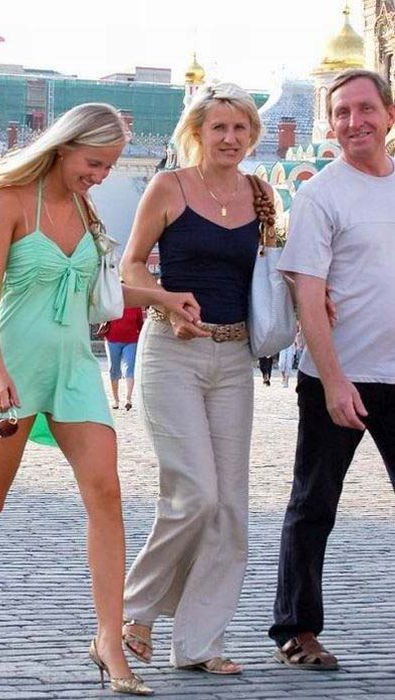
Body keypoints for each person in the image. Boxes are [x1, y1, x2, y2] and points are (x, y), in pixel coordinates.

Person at [0, 102, 200, 695]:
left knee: (107, 494)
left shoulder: (86, 209)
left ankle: (109, 638)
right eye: (93, 163)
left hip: (76, 368)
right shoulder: (9, 200)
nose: (99, 176)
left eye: (108, 167)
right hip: (16, 367)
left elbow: (98, 289)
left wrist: (162, 296)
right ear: (64, 147)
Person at [120, 83, 279, 674]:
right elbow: (130, 266)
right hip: (172, 353)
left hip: (235, 359)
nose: (230, 138)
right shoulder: (170, 187)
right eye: (219, 128)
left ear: (252, 135)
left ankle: (198, 643)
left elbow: (271, 269)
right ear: (198, 133)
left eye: (240, 128)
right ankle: (134, 611)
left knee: (229, 508)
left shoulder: (261, 193)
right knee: (194, 494)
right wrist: (165, 300)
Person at [269, 69, 395, 670]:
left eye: (365, 109)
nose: (354, 122)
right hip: (338, 376)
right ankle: (296, 628)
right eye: (342, 112)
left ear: (390, 115)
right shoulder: (321, 193)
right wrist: (334, 379)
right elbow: (308, 294)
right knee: (314, 504)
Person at [104, 307, 144, 410]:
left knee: (130, 368)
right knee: (114, 369)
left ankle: (128, 399)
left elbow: (140, 324)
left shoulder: (136, 306)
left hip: (131, 341)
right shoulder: (112, 302)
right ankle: (116, 400)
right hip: (112, 340)